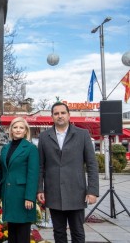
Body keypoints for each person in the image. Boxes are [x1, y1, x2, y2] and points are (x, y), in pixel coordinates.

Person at [37, 102, 99, 243]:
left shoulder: (82, 134)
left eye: (63, 113)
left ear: (69, 115)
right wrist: (39, 188)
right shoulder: (44, 137)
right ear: (52, 116)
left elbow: (91, 164)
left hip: (76, 192)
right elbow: (40, 166)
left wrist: (93, 190)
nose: (60, 116)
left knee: (77, 232)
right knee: (58, 232)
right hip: (53, 192)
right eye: (56, 113)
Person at [0, 117, 39, 243]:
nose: (18, 130)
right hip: (9, 194)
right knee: (12, 232)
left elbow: (33, 174)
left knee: (22, 232)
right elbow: (1, 171)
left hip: (22, 195)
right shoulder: (6, 148)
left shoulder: (31, 148)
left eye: (21, 128)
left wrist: (29, 197)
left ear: (25, 131)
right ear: (11, 130)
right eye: (15, 127)